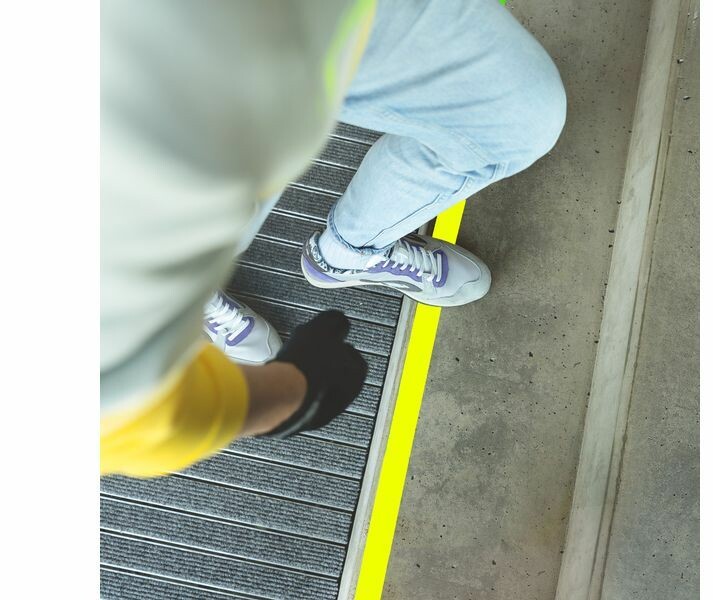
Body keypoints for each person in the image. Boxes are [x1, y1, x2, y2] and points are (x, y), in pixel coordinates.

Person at [100, 0, 566, 477]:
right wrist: (291, 397)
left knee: (520, 115)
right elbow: (118, 412)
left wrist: (296, 398)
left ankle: (346, 254)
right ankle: (179, 301)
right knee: (183, 214)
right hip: (168, 102)